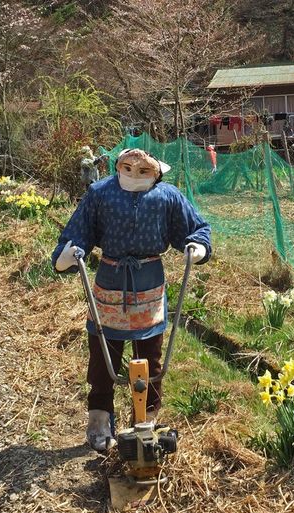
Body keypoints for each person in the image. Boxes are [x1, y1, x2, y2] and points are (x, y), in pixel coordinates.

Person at [52, 148, 212, 452]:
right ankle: (100, 419)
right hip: (110, 281)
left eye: (143, 172)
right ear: (117, 167)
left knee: (150, 358)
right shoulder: (100, 193)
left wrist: (197, 246)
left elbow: (196, 228)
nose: (134, 175)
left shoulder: (168, 197)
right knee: (103, 357)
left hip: (149, 281)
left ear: (157, 174)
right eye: (128, 168)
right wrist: (69, 253)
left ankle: (146, 418)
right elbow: (80, 230)